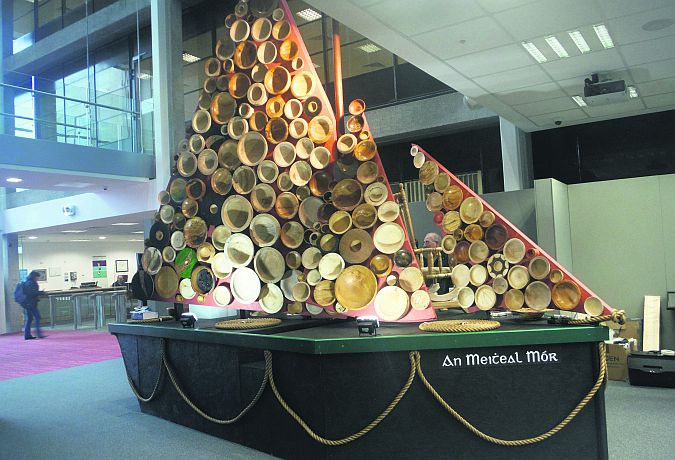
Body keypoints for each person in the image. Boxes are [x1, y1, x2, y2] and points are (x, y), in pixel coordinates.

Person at [21, 271, 45, 340]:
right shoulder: (32, 283)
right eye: (37, 277)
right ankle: (38, 333)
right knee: (37, 317)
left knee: (29, 319)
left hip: (27, 303)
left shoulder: (27, 282)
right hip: (31, 304)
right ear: (34, 277)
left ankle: (27, 335)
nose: (38, 279)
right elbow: (32, 293)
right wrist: (41, 293)